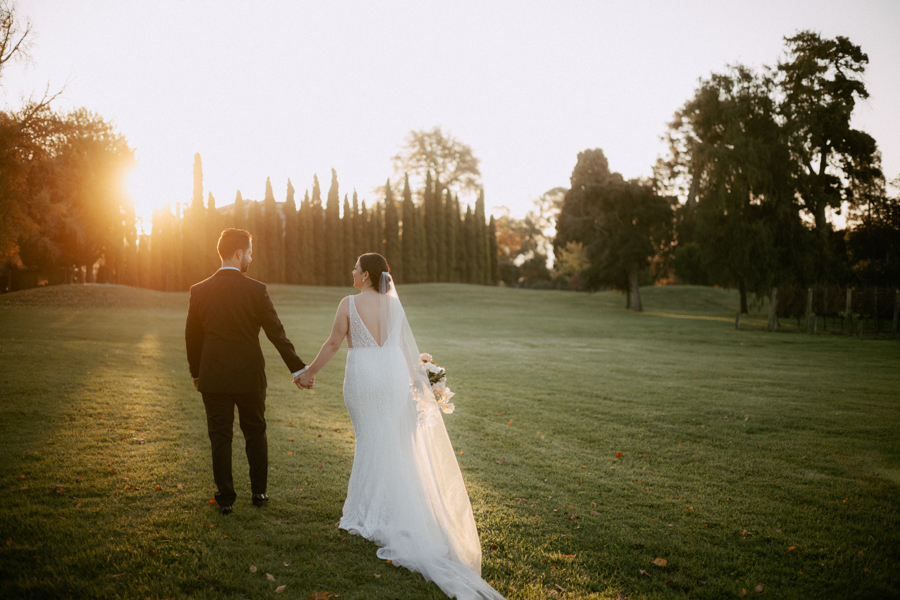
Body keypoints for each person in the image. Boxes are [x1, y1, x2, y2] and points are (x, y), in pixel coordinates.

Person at [301, 253, 505, 599]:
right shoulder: (394, 307)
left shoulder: (349, 303)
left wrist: (309, 372)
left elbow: (335, 342)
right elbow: (405, 351)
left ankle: (369, 512)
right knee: (391, 441)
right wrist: (420, 387)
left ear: (365, 275)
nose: (351, 272)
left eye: (355, 268)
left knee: (370, 440)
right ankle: (379, 507)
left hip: (364, 377)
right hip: (393, 376)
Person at [185, 228, 313, 516]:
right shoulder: (256, 290)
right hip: (249, 376)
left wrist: (196, 372)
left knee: (220, 436)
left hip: (213, 375)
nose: (251, 258)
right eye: (250, 253)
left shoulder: (200, 290)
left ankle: (226, 498)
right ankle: (259, 492)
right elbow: (276, 333)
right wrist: (299, 368)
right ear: (239, 253)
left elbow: (192, 337)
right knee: (255, 432)